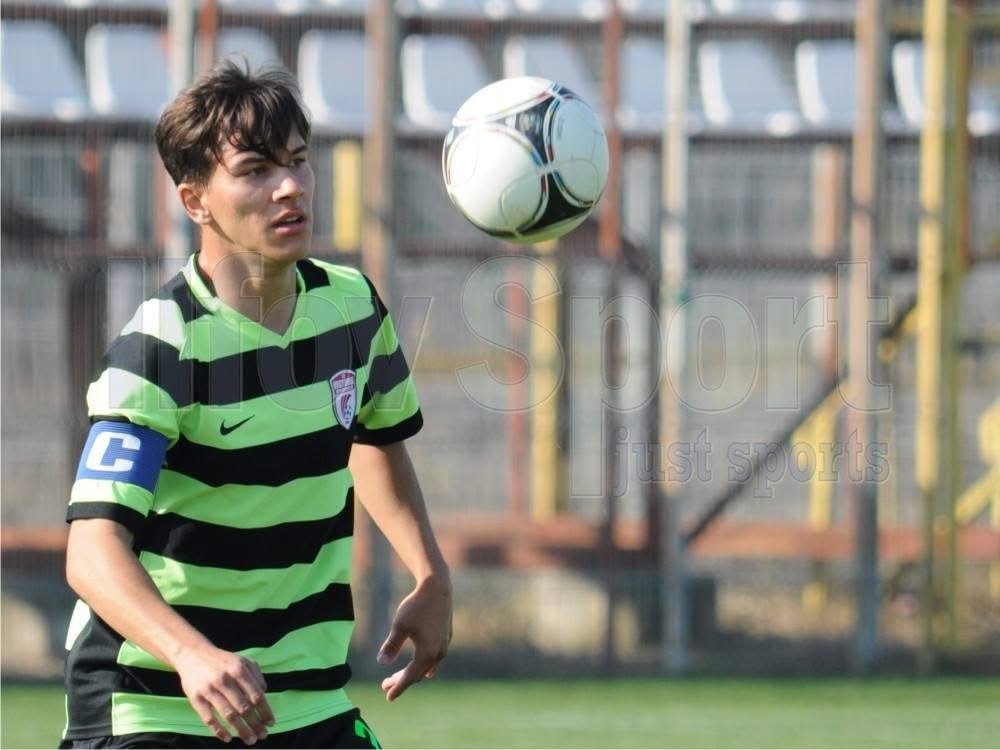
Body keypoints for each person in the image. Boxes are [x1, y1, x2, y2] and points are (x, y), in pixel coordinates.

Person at [60, 61, 452, 749]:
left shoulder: (352, 309)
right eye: (256, 170)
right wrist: (191, 656)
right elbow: (92, 551)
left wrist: (430, 573)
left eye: (298, 161)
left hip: (306, 697)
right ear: (195, 201)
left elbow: (372, 439)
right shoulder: (160, 349)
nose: (290, 186)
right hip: (154, 705)